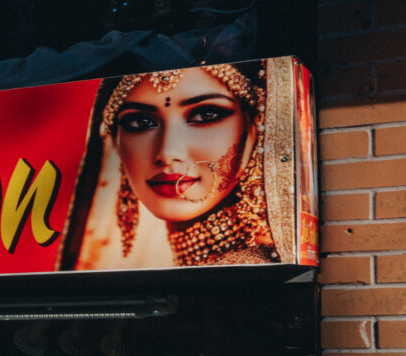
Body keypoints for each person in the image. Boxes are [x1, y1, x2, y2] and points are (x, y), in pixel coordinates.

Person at [89, 63, 278, 268]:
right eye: (141, 122)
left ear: (255, 127)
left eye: (205, 115)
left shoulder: (255, 269)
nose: (168, 153)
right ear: (115, 141)